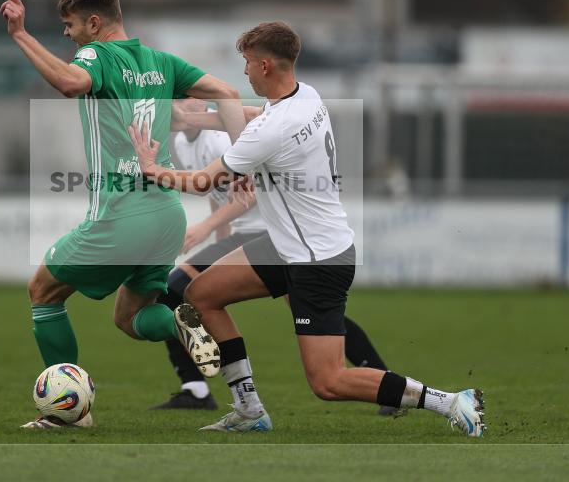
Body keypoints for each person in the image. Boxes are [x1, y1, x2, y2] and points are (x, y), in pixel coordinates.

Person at [129, 21, 485, 436]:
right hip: (287, 246)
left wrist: (152, 169)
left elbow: (205, 180)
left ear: (265, 65)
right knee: (201, 295)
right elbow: (250, 118)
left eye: (246, 63)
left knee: (329, 382)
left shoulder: (272, 128)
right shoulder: (305, 96)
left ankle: (450, 402)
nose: (243, 72)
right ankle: (249, 410)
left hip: (318, 260)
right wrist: (193, 120)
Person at [0, 0, 246, 429]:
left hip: (122, 212)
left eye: (70, 27)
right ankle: (178, 321)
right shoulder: (162, 62)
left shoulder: (95, 54)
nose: (68, 36)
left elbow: (71, 83)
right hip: (167, 214)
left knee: (44, 292)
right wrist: (242, 159)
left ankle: (69, 414)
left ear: (94, 23)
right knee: (131, 316)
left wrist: (20, 35)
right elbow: (229, 93)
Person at [152, 100, 399, 416]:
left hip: (267, 233)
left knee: (175, 291)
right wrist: (218, 239)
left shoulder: (217, 138)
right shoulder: (182, 143)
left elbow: (250, 193)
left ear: (202, 102)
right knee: (178, 292)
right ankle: (197, 387)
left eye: (190, 99)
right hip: (249, 238)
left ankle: (201, 388)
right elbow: (220, 196)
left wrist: (205, 228)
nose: (184, 106)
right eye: (178, 100)